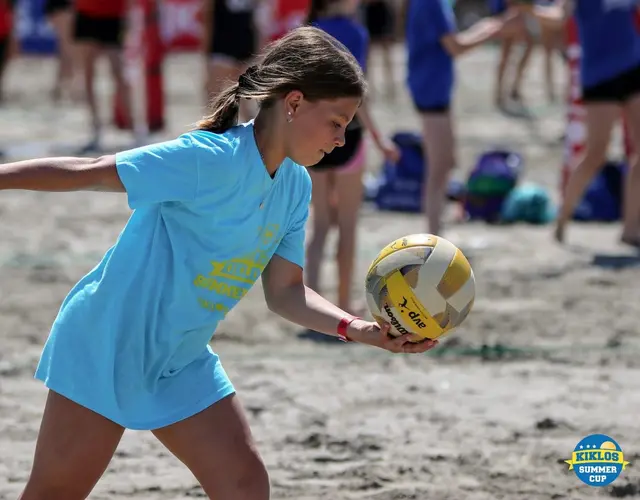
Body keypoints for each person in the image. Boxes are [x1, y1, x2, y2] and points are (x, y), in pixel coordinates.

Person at [0, 27, 438, 500]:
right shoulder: (209, 159)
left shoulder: (295, 187)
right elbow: (88, 172)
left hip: (181, 358)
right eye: (337, 122)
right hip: (109, 344)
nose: (340, 140)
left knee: (246, 486)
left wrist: (358, 329)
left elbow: (286, 292)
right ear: (293, 104)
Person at [305, 0, 399, 315]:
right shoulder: (356, 33)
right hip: (349, 133)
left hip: (313, 135)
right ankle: (343, 306)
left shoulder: (309, 32)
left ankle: (313, 309)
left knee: (318, 228)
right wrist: (379, 137)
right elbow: (359, 94)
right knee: (346, 226)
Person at [523, 0, 640, 245]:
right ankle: (563, 218)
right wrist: (530, 9)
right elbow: (559, 17)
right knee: (596, 153)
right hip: (599, 75)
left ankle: (631, 228)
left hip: (632, 65)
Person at [404, 0, 522, 236]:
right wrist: (496, 28)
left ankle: (439, 228)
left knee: (447, 161)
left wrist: (494, 26)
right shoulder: (431, 4)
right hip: (430, 90)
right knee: (438, 169)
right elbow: (455, 46)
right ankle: (434, 236)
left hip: (434, 89)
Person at [72, 0, 130, 153]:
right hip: (87, 12)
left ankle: (131, 128)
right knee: (88, 74)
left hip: (113, 13)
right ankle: (95, 129)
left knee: (118, 73)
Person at [202, 0, 258, 121]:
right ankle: (255, 135)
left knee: (214, 97)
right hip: (245, 41)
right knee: (244, 98)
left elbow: (207, 16)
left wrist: (205, 49)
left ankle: (214, 132)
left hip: (223, 43)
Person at [489, 0, 534, 112]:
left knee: (527, 50)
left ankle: (515, 86)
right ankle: (500, 91)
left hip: (521, 19)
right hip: (509, 18)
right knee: (506, 55)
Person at [43, 0, 75, 102]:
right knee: (66, 47)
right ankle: (63, 84)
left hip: (60, 8)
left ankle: (62, 84)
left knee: (65, 47)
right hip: (61, 8)